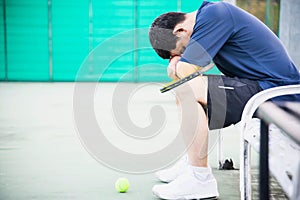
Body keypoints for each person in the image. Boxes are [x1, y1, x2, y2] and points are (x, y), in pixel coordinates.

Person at [148, 1, 300, 199]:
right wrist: (180, 60)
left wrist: (178, 63)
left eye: (183, 49)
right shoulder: (210, 18)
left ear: (180, 30)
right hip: (259, 88)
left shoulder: (214, 14)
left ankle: (200, 180)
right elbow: (196, 69)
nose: (185, 53)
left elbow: (187, 71)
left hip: (276, 93)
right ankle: (191, 163)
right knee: (190, 90)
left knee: (186, 89)